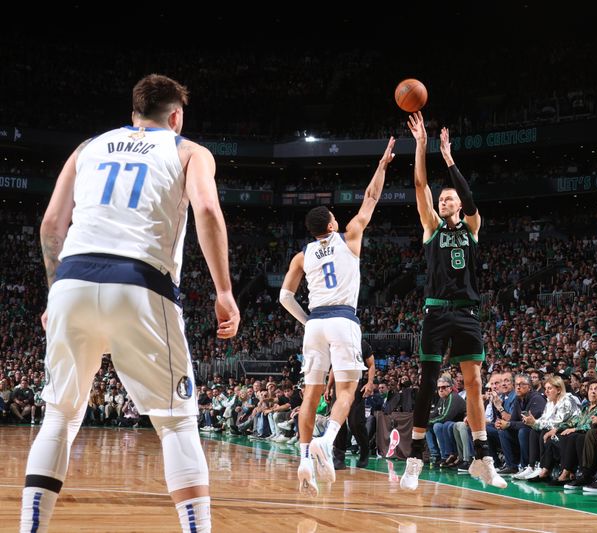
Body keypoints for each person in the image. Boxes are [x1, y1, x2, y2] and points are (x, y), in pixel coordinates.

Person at [20, 74, 240, 533]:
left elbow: (51, 226)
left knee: (59, 415)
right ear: (176, 116)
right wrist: (223, 292)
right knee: (178, 424)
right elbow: (206, 210)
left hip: (73, 280)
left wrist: (53, 290)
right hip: (140, 283)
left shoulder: (87, 148)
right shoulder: (188, 151)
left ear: (134, 112)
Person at [280, 137, 395, 496]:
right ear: (330, 225)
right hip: (344, 319)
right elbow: (372, 198)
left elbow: (284, 296)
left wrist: (307, 321)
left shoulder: (302, 256)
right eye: (334, 216)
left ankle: (302, 460)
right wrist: (383, 165)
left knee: (310, 398)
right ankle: (327, 442)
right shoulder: (350, 237)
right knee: (347, 389)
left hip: (314, 322)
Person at [400, 112, 505, 491]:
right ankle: (414, 459)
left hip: (467, 314)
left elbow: (471, 199)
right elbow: (418, 184)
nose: (444, 200)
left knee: (474, 383)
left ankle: (482, 458)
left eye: (449, 198)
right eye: (441, 198)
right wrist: (422, 147)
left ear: (458, 204)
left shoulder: (473, 227)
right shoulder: (430, 228)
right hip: (436, 312)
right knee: (428, 382)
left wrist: (449, 159)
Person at [325, 338, 376, 469]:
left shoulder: (362, 344)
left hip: (356, 385)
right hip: (339, 385)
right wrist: (328, 387)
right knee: (338, 422)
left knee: (355, 422)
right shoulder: (338, 343)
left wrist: (370, 382)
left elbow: (371, 365)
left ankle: (365, 451)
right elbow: (333, 367)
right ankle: (339, 456)